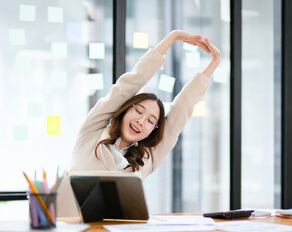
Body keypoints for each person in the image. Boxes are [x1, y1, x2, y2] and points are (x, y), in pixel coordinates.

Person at [57, 30, 221, 217]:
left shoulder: (146, 159)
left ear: (154, 130)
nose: (141, 121)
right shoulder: (92, 130)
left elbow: (181, 111)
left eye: (151, 121)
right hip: (65, 231)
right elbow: (128, 84)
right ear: (125, 108)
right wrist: (173, 37)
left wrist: (214, 62)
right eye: (138, 110)